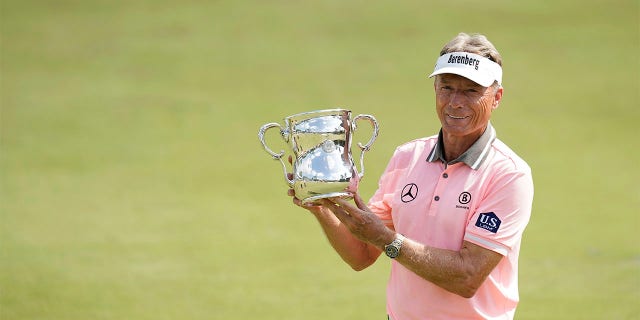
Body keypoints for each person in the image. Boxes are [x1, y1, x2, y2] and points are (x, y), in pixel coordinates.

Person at [288, 33, 534, 319]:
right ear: (435, 88)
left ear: (496, 97)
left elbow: (467, 276)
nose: (455, 102)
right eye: (447, 87)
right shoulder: (408, 156)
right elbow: (361, 255)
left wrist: (386, 239)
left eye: (470, 91)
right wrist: (322, 205)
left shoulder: (509, 175)